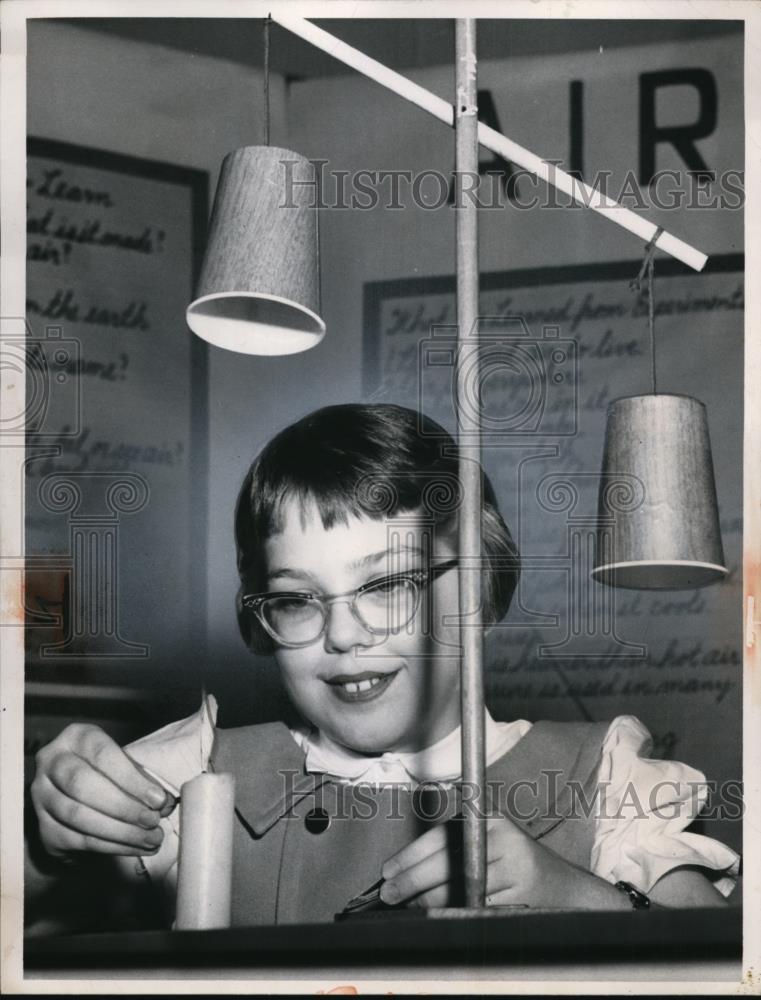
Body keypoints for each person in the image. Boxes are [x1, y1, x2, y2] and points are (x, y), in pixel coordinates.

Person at [27, 403, 740, 928]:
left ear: (481, 588)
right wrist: (45, 839)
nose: (342, 634)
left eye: (387, 585)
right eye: (296, 600)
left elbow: (715, 954)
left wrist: (576, 896)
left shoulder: (601, 774)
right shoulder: (196, 767)